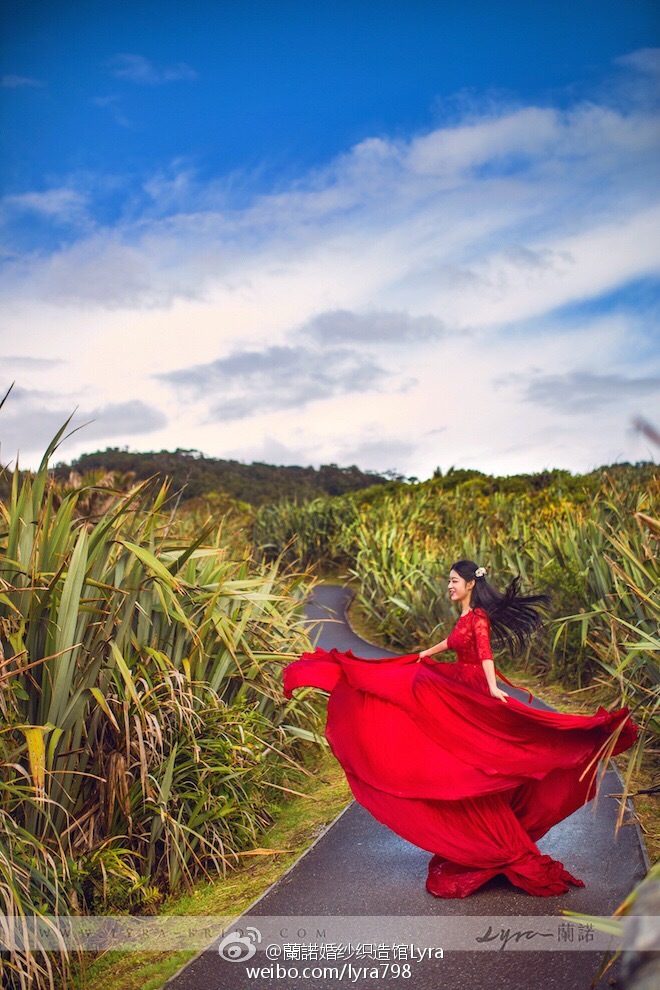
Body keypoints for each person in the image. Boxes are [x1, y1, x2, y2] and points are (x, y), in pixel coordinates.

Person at [282, 559, 639, 898]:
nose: (449, 586)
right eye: (449, 581)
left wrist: (494, 687)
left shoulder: (479, 618)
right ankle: (489, 839)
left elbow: (485, 654)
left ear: (470, 584)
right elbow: (452, 643)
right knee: (465, 761)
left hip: (473, 690)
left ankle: (499, 842)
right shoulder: (466, 617)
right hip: (461, 686)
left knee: (478, 761)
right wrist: (424, 653)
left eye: (454, 581)